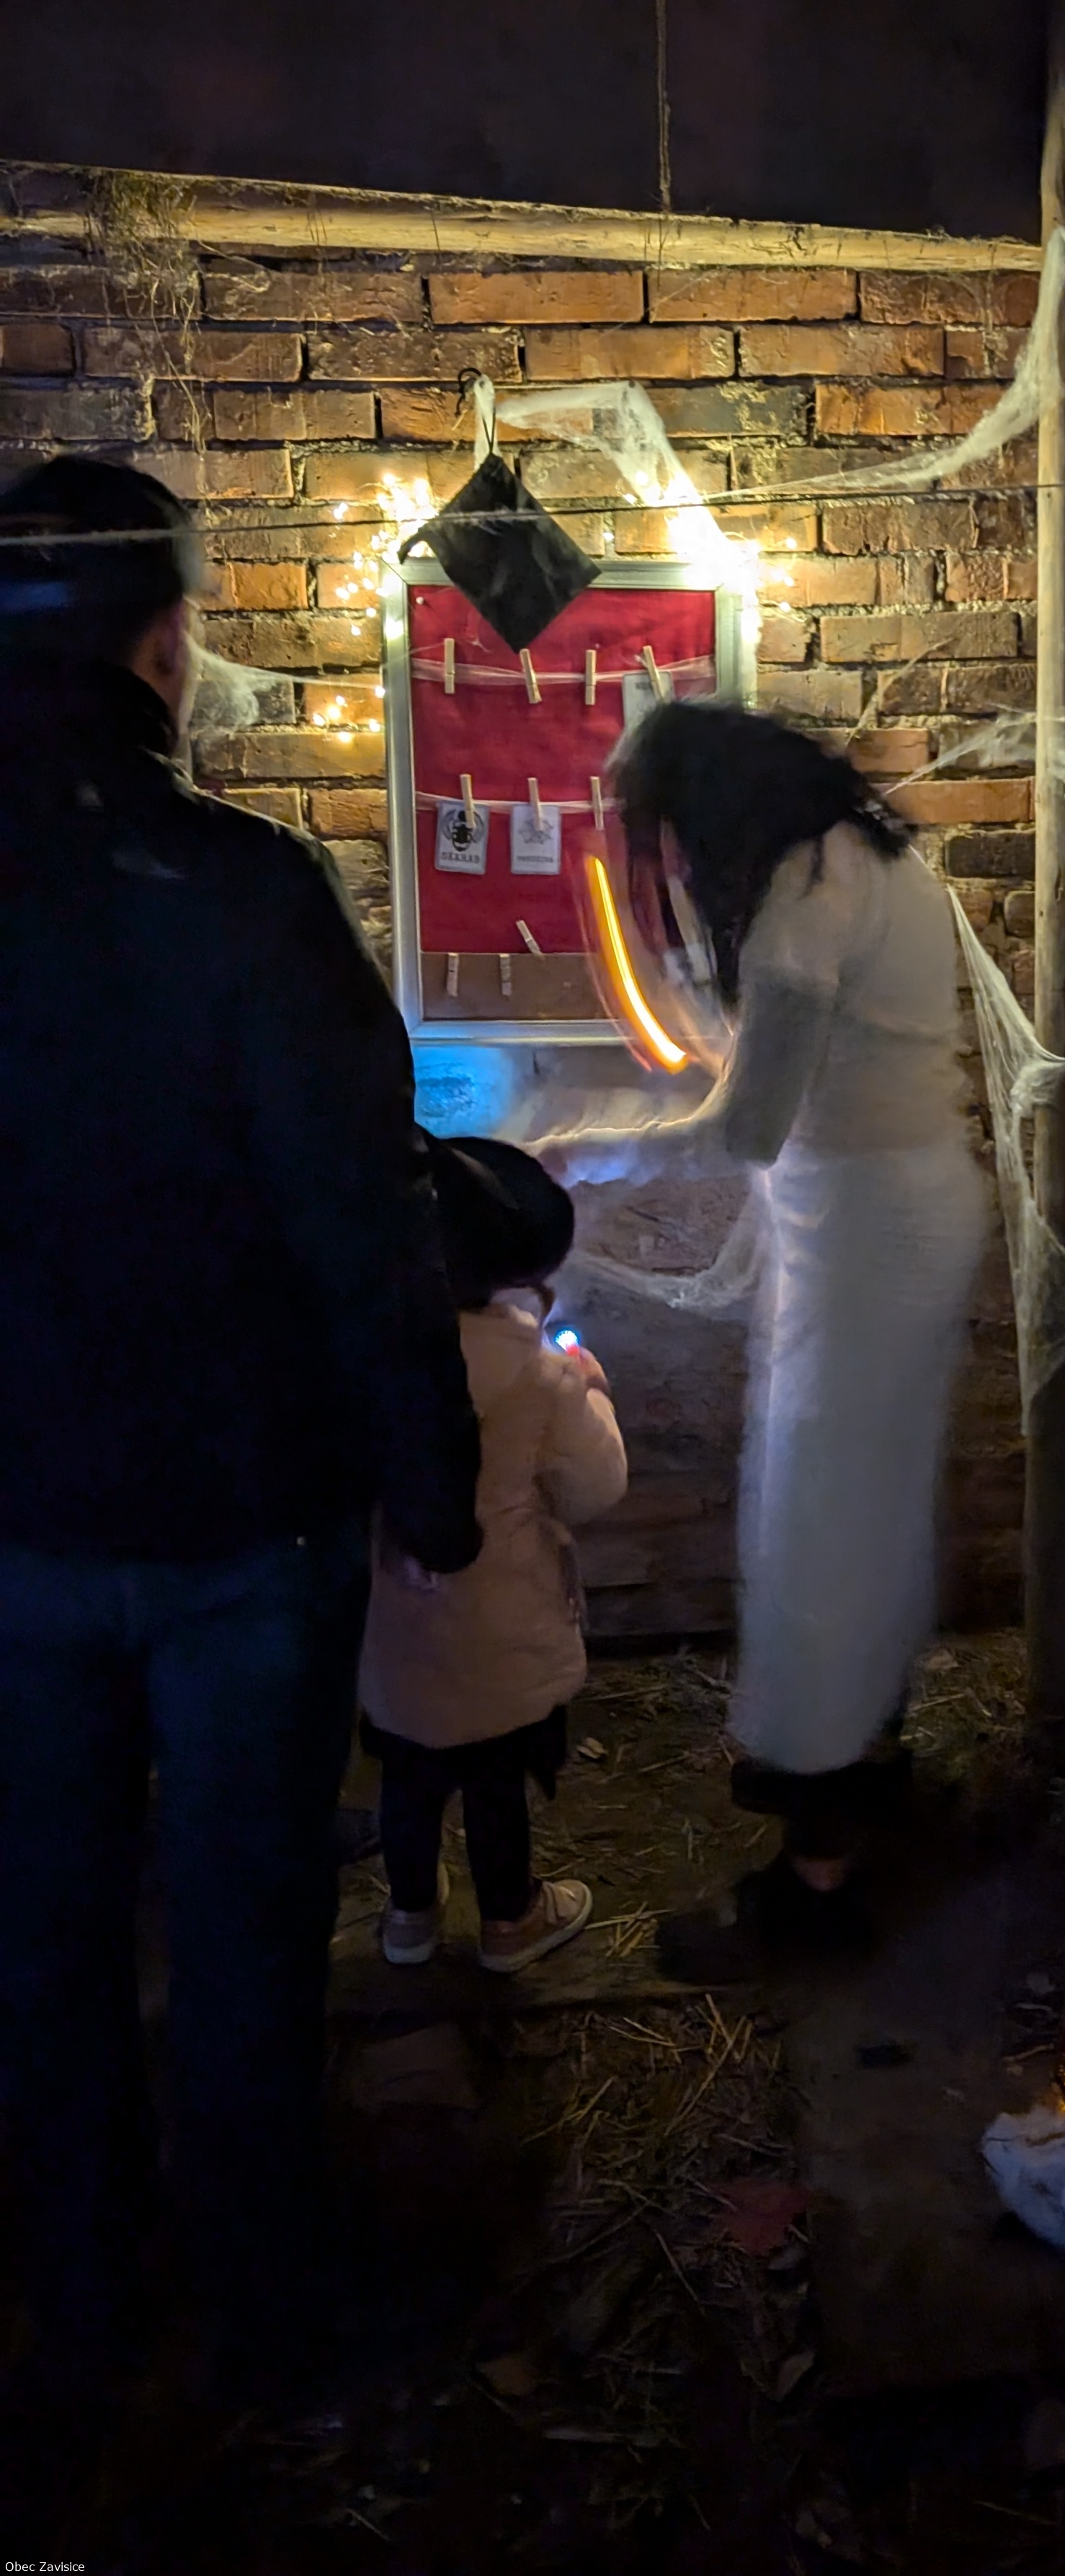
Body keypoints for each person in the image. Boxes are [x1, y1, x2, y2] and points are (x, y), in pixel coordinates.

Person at [0, 457, 481, 2409]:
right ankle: (270, 2304)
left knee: (41, 1924)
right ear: (162, 646)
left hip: (19, 1528)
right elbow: (364, 1214)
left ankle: (81, 2289)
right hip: (240, 1528)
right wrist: (433, 1475)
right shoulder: (240, 893)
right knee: (245, 1914)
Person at [555, 699, 986, 1981]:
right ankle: (865, 1760)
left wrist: (572, 1153)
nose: (669, 861)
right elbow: (772, 1077)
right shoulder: (862, 860)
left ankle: (817, 1879)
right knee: (861, 1508)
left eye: (667, 835)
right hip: (879, 1212)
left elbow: (744, 1127)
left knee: (819, 1527)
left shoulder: (805, 907)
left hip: (868, 1228)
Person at [359, 1136, 627, 1973]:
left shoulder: (370, 1355)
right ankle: (511, 1920)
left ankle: (408, 1918)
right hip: (500, 1623)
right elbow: (596, 1486)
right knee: (494, 1780)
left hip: (397, 1620)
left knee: (407, 1774)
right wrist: (592, 1391)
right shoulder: (541, 1374)